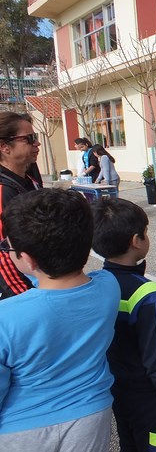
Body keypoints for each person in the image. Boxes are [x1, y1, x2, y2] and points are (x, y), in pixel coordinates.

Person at [0, 188, 120, 449]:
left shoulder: (6, 317)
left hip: (19, 428)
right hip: (91, 416)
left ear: (28, 259)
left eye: (7, 247)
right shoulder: (108, 287)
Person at [92, 198, 156, 451]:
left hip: (116, 388)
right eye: (146, 231)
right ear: (136, 241)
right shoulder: (148, 294)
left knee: (129, 440)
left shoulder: (95, 282)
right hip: (149, 396)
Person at [0, 112, 43, 300]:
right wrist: (25, 296)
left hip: (41, 278)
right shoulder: (3, 191)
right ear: (4, 147)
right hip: (22, 290)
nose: (37, 143)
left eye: (36, 137)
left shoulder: (30, 177)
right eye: (29, 139)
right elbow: (3, 253)